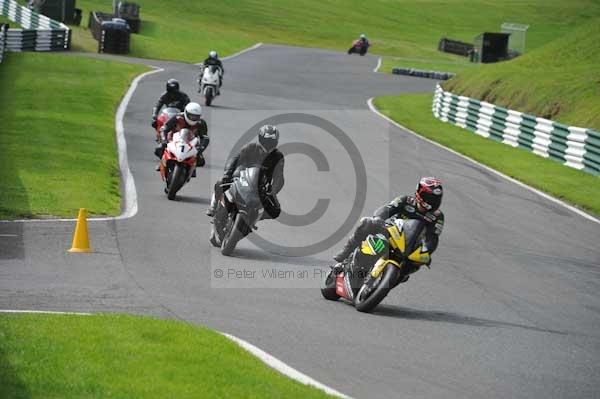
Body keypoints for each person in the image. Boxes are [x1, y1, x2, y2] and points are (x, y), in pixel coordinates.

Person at [333, 177, 445, 273]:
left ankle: (393, 278)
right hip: (391, 233)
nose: (432, 202)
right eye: (430, 198)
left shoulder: (438, 217)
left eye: (436, 199)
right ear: (419, 193)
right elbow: (386, 209)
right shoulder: (405, 200)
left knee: (416, 263)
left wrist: (426, 252)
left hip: (410, 246)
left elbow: (433, 238)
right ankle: (346, 253)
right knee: (367, 223)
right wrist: (378, 218)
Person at [206, 125, 284, 219]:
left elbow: (279, 177)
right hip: (241, 177)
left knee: (275, 210)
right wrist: (227, 175)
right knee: (221, 183)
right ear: (261, 139)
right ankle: (214, 206)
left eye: (272, 142)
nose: (269, 144)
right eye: (267, 141)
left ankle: (254, 218)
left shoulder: (278, 156)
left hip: (261, 186)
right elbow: (234, 160)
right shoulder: (250, 147)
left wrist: (273, 191)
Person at [155, 102, 209, 176]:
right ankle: (162, 163)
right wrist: (164, 140)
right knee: (159, 148)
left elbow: (205, 137)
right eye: (191, 116)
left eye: (195, 117)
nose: (193, 118)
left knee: (201, 161)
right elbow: (164, 128)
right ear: (186, 112)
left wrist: (200, 148)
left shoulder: (201, 123)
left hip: (190, 143)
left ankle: (192, 168)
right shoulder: (177, 117)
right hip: (174, 140)